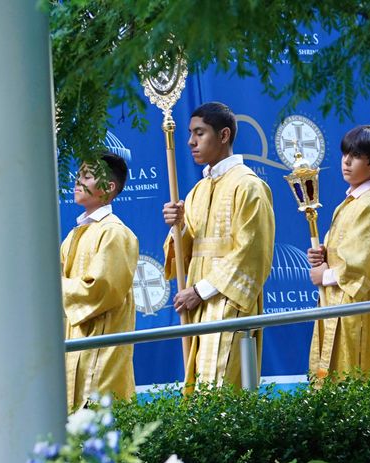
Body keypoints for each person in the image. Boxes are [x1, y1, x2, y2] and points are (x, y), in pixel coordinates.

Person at [163, 101, 275, 391]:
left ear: (224, 135)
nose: (190, 141)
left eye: (199, 133)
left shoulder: (249, 185)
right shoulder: (198, 190)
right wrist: (180, 225)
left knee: (221, 387)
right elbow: (186, 247)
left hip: (229, 301)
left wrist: (200, 291)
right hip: (196, 300)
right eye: (190, 133)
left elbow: (252, 252)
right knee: (200, 384)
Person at [307, 125, 370, 378]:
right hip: (335, 302)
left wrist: (324, 275)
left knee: (355, 381)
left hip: (358, 309)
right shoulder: (346, 205)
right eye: (345, 153)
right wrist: (322, 255)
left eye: (356, 156)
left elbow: (362, 267)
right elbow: (342, 254)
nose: (346, 161)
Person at [62, 153, 139, 410]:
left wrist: (51, 288)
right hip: (73, 343)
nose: (78, 182)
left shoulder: (115, 233)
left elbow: (101, 289)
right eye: (78, 175)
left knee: (100, 422)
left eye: (87, 176)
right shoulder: (75, 234)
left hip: (102, 347)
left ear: (109, 187)